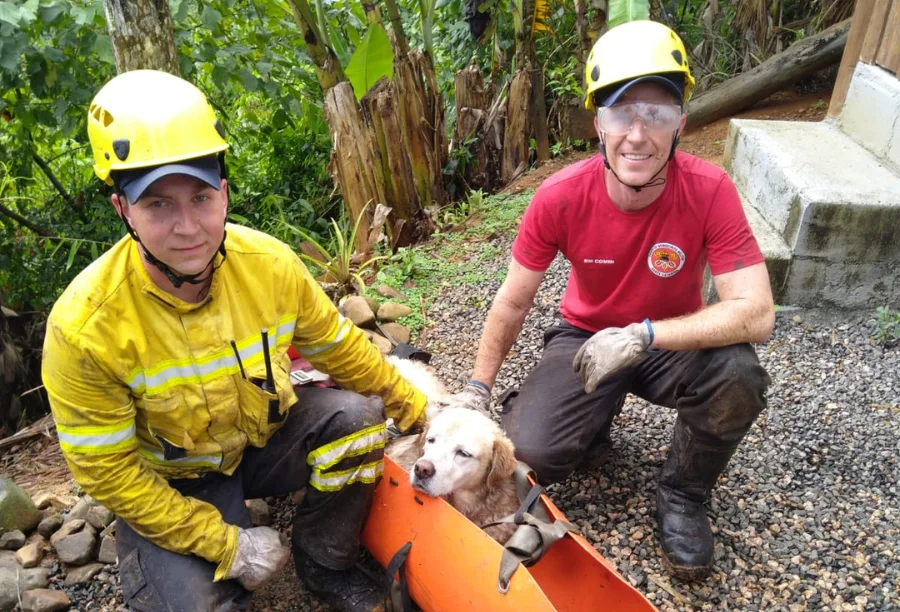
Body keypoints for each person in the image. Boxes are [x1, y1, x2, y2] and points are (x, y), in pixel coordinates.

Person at [42, 69, 427, 612]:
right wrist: (226, 544)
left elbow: (340, 347)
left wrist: (418, 411)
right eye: (158, 206)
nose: (188, 227)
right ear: (123, 210)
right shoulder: (84, 327)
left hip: (259, 442)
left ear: (224, 192)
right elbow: (109, 471)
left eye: (200, 197)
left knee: (358, 421)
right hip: (173, 484)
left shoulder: (269, 265)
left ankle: (323, 562)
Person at [445, 20, 774, 581]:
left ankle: (683, 494)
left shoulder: (710, 189)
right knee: (530, 453)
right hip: (584, 338)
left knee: (739, 374)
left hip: (669, 337)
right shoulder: (559, 196)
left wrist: (643, 335)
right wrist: (477, 389)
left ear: (681, 124)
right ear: (598, 123)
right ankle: (590, 417)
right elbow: (513, 301)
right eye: (622, 113)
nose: (638, 135)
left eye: (657, 114)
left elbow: (757, 312)